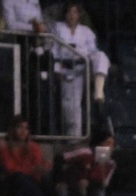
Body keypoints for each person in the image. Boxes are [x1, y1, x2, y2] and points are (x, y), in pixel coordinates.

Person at [49, 3, 108, 138]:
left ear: (79, 15)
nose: (72, 15)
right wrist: (57, 69)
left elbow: (93, 50)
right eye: (69, 12)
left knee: (101, 56)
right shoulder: (58, 27)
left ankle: (99, 89)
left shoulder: (86, 31)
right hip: (66, 69)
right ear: (65, 15)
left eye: (75, 12)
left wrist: (92, 67)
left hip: (83, 68)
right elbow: (54, 49)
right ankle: (73, 139)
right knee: (71, 107)